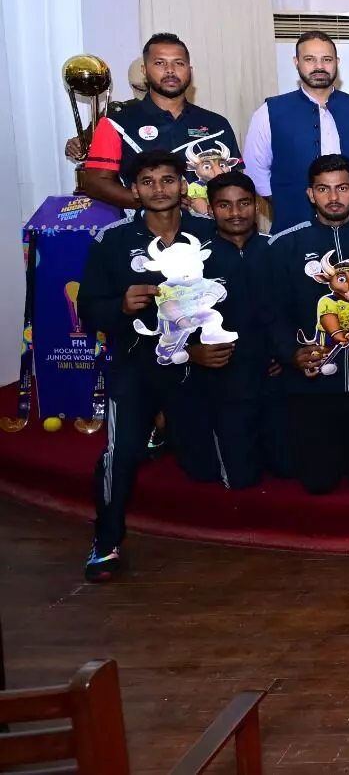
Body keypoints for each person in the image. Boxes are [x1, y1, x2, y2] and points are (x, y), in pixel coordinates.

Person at [80, 151, 217, 582]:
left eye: (167, 180)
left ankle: (167, 431)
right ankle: (106, 541)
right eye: (148, 181)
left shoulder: (209, 232)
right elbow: (89, 310)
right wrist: (120, 306)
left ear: (183, 184)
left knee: (205, 465)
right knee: (120, 451)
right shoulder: (112, 240)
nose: (159, 189)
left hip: (196, 365)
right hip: (136, 363)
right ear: (134, 190)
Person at [265, 154, 349, 496]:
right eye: (323, 189)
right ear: (310, 194)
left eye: (341, 188)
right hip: (311, 386)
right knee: (319, 483)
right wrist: (291, 354)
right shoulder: (284, 245)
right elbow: (273, 312)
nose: (334, 197)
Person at [179, 170, 275, 490]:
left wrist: (285, 354)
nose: (235, 212)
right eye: (224, 205)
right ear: (210, 208)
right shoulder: (193, 260)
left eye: (244, 203)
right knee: (240, 479)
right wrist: (191, 352)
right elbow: (170, 320)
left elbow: (292, 311)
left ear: (257, 206)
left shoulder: (277, 250)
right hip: (223, 380)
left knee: (288, 468)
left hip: (274, 377)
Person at [243, 31, 349, 232]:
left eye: (326, 59)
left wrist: (343, 202)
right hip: (293, 227)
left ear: (337, 62)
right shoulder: (269, 111)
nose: (319, 66)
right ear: (296, 62)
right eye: (309, 59)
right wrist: (287, 202)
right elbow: (255, 172)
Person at [80, 33, 240, 211]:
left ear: (190, 70)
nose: (170, 70)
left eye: (179, 63)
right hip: (145, 227)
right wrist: (156, 201)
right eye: (159, 63)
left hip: (209, 227)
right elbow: (96, 183)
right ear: (144, 70)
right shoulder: (116, 123)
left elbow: (236, 184)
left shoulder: (217, 124)